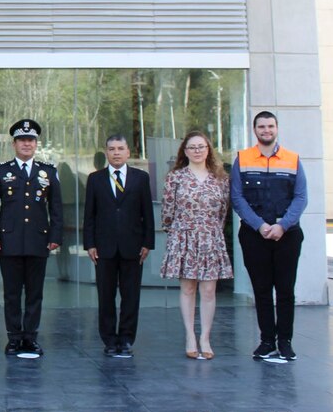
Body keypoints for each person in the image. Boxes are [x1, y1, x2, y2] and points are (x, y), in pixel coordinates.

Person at [231, 111, 308, 361]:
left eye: (270, 126)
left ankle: (285, 341)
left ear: (277, 128)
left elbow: (300, 197)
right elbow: (237, 197)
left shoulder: (292, 159)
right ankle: (266, 341)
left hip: (287, 234)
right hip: (255, 235)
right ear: (255, 130)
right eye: (261, 126)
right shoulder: (242, 159)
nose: (266, 130)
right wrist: (260, 225)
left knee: (285, 290)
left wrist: (282, 226)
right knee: (261, 290)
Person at [0, 119, 63, 356]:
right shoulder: (0, 172)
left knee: (35, 293)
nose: (27, 144)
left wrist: (55, 235)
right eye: (22, 140)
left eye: (31, 140)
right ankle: (14, 337)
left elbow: (56, 208)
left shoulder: (47, 172)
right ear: (14, 144)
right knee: (11, 293)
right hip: (10, 241)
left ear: (36, 144)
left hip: (39, 240)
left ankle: (30, 337)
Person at [159, 131, 232, 360]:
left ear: (208, 149)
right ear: (185, 151)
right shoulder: (176, 177)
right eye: (192, 147)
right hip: (184, 237)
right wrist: (180, 233)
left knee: (208, 290)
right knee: (188, 288)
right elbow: (167, 212)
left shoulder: (220, 178)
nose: (198, 151)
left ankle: (205, 337)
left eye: (201, 146)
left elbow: (223, 212)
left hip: (211, 237)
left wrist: (210, 231)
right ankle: (190, 335)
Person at [83, 134, 154, 358]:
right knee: (105, 295)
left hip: (132, 246)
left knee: (130, 295)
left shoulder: (140, 178)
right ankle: (109, 339)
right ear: (106, 152)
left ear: (128, 152)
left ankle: (125, 338)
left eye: (120, 148)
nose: (116, 152)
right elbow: (89, 215)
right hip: (104, 247)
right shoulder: (95, 179)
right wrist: (90, 243)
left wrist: (148, 242)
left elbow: (147, 214)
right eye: (111, 148)